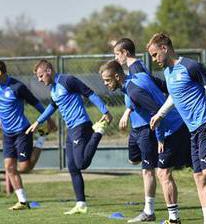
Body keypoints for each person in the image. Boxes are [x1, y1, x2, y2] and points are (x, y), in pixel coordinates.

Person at [147, 33, 206, 224]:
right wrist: (160, 114)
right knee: (199, 177)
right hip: (193, 131)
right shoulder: (168, 72)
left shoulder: (191, 67)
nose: (154, 60)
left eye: (155, 54)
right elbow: (175, 96)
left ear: (165, 48)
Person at [100, 60, 191, 223]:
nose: (105, 84)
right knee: (141, 163)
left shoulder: (133, 90)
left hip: (162, 129)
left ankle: (159, 214)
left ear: (116, 76)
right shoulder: (137, 78)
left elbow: (156, 113)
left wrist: (160, 137)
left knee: (158, 172)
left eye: (107, 80)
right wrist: (128, 112)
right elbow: (158, 91)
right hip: (154, 128)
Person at [25, 59, 112, 215]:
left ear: (49, 71)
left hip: (82, 126)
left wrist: (104, 111)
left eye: (40, 76)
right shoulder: (53, 89)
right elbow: (53, 106)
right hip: (71, 130)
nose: (39, 79)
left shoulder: (67, 80)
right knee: (72, 167)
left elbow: (89, 93)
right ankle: (81, 204)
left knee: (81, 163)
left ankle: (98, 131)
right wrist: (38, 122)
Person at [113, 38, 167, 222]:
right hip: (136, 128)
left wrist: (127, 112)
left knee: (148, 169)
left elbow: (142, 92)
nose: (115, 58)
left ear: (125, 53)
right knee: (133, 160)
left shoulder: (136, 67)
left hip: (145, 126)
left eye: (116, 54)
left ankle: (149, 211)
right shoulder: (131, 70)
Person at [0, 60, 56, 210]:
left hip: (22, 131)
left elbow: (35, 103)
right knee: (9, 167)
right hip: (7, 134)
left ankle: (42, 137)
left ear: (2, 73)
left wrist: (48, 119)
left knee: (25, 168)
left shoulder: (17, 87)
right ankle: (23, 201)